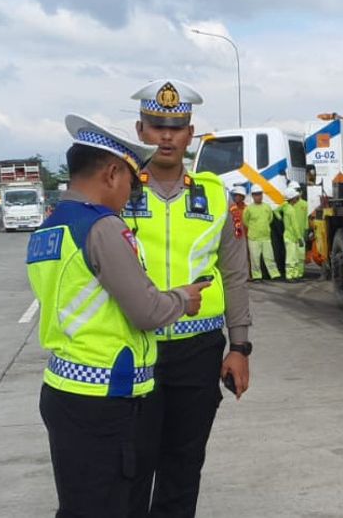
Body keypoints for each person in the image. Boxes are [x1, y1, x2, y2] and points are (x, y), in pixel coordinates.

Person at [28, 114, 210, 518]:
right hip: (106, 400)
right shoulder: (103, 227)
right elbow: (146, 310)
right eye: (131, 181)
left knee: (81, 505)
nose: (131, 194)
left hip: (66, 389)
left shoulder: (51, 226)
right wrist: (182, 298)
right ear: (112, 174)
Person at [125, 79, 253, 517]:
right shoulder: (119, 191)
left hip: (197, 351)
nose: (166, 136)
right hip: (134, 346)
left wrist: (239, 347)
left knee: (183, 465)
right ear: (140, 130)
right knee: (133, 464)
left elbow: (236, 275)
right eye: (156, 125)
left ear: (190, 133)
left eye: (176, 127)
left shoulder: (216, 196)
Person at [243, 188, 279, 281]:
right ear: (253, 196)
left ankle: (274, 274)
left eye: (259, 194)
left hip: (266, 237)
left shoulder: (267, 207)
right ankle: (257, 276)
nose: (258, 196)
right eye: (256, 194)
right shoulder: (249, 208)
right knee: (255, 259)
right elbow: (245, 221)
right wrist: (253, 228)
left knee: (269, 257)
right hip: (253, 238)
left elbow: (270, 219)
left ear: (262, 195)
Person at [276, 187, 307, 282]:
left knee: (293, 257)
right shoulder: (291, 210)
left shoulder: (286, 207)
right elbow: (295, 226)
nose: (297, 199)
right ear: (292, 198)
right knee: (291, 258)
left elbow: (276, 210)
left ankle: (294, 275)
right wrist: (299, 238)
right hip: (292, 237)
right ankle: (290, 276)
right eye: (295, 197)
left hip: (289, 237)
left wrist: (279, 218)